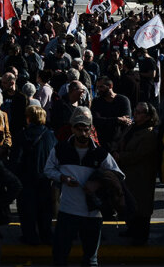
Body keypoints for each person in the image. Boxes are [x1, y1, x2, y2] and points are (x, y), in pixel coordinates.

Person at [44, 106, 124, 266]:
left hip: (92, 214)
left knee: (90, 258)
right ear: (72, 128)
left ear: (91, 129)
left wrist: (98, 183)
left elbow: (118, 175)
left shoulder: (101, 153)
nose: (82, 133)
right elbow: (48, 169)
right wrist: (62, 178)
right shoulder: (60, 149)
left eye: (85, 129)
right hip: (67, 211)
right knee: (60, 254)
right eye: (78, 129)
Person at [112, 102, 159, 245]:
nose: (136, 114)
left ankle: (141, 235)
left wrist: (121, 157)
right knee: (129, 204)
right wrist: (115, 150)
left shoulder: (149, 133)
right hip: (127, 173)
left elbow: (140, 154)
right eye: (135, 111)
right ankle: (131, 229)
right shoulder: (132, 127)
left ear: (148, 116)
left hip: (141, 174)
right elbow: (120, 139)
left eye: (139, 112)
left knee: (142, 207)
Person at [14, 105, 57, 245]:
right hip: (45, 179)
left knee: (27, 211)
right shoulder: (50, 136)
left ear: (28, 118)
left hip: (26, 179)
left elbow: (16, 159)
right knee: (45, 210)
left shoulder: (22, 135)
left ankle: (30, 236)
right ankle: (46, 235)